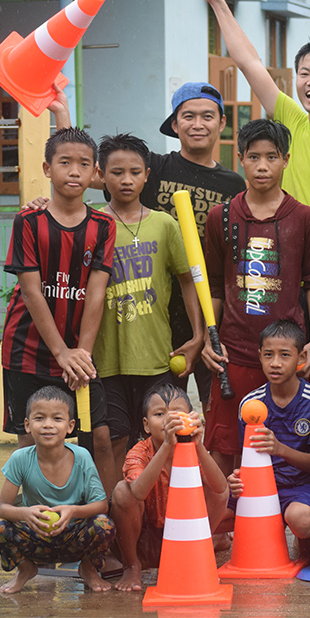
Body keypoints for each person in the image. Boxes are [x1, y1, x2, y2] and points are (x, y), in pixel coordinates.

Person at [197, 0, 310, 391]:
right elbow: (249, 61)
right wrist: (217, 1)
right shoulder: (291, 118)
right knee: (280, 398)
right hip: (285, 286)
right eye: (304, 72)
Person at [43, 81, 244, 406]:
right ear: (174, 124)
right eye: (188, 116)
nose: (197, 124)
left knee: (215, 404)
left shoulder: (233, 184)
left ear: (221, 123)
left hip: (208, 309)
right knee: (162, 411)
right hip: (155, 312)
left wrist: (208, 328)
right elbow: (80, 171)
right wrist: (62, 116)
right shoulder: (155, 167)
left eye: (207, 116)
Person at [201, 119, 310, 476]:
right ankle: (225, 529)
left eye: (271, 157)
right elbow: (213, 285)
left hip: (287, 354)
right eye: (253, 157)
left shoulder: (304, 218)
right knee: (226, 449)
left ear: (286, 159)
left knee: (288, 447)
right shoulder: (220, 217)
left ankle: (288, 522)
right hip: (234, 352)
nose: (262, 166)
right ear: (239, 158)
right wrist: (211, 339)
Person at [1, 127, 117, 496]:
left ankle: (103, 527)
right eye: (64, 162)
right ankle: (33, 536)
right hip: (27, 351)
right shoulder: (28, 222)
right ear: (47, 168)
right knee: (29, 443)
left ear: (94, 173)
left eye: (84, 164)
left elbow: (95, 295)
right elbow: (32, 293)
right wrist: (61, 353)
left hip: (76, 353)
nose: (74, 171)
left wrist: (80, 354)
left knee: (96, 438)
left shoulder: (103, 225)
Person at [93, 133, 205, 471]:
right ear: (101, 174)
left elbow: (188, 280)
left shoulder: (164, 223)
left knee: (159, 439)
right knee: (111, 440)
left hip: (156, 358)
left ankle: (156, 516)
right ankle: (113, 515)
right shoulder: (93, 223)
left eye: (134, 171)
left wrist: (197, 336)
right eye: (116, 172)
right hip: (106, 359)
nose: (126, 180)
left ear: (147, 175)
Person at [0, 386, 115, 594]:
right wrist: (25, 513)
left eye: (57, 419)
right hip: (35, 536)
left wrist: (73, 511)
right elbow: (2, 508)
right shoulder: (20, 459)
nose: (48, 425)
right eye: (39, 418)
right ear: (27, 425)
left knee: (104, 525)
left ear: (70, 426)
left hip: (73, 537)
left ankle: (88, 569)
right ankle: (26, 569)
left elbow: (101, 505)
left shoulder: (81, 457)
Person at [228, 321, 310, 562]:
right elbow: (243, 460)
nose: (275, 363)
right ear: (260, 356)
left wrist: (279, 449)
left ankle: (304, 534)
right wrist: (236, 477)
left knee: (302, 521)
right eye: (268, 355)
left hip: (301, 486)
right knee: (210, 515)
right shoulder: (250, 404)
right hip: (260, 485)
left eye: (284, 355)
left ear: (302, 356)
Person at [111, 384, 229, 592]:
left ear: (191, 418)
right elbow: (137, 492)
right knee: (122, 491)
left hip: (185, 535)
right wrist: (166, 446)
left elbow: (220, 489)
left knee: (220, 489)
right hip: (146, 540)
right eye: (159, 414)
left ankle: (200, 549)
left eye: (177, 414)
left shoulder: (194, 449)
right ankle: (132, 565)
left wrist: (199, 446)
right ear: (146, 426)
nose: (169, 419)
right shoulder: (139, 452)